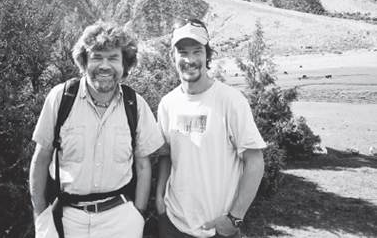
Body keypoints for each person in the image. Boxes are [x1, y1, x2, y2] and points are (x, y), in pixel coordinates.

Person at [29, 20, 163, 238]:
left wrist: (137, 215)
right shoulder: (61, 98)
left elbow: (143, 165)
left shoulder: (135, 105)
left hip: (120, 220)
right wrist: (41, 215)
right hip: (65, 218)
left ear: (124, 65)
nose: (105, 66)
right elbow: (41, 159)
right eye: (97, 57)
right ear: (84, 61)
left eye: (113, 58)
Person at [155, 19, 266, 238]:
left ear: (207, 55)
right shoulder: (167, 104)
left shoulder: (230, 101)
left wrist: (235, 218)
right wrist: (160, 198)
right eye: (182, 52)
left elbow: (255, 161)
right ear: (172, 57)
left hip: (218, 229)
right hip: (173, 226)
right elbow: (166, 155)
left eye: (197, 51)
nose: (190, 60)